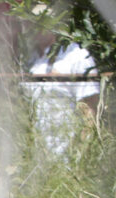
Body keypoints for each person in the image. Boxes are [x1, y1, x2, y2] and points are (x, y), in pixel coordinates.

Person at [23, 16, 101, 158]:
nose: (34, 28)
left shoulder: (77, 56)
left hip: (67, 152)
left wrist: (81, 153)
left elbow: (90, 110)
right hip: (36, 153)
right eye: (31, 23)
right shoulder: (30, 59)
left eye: (41, 23)